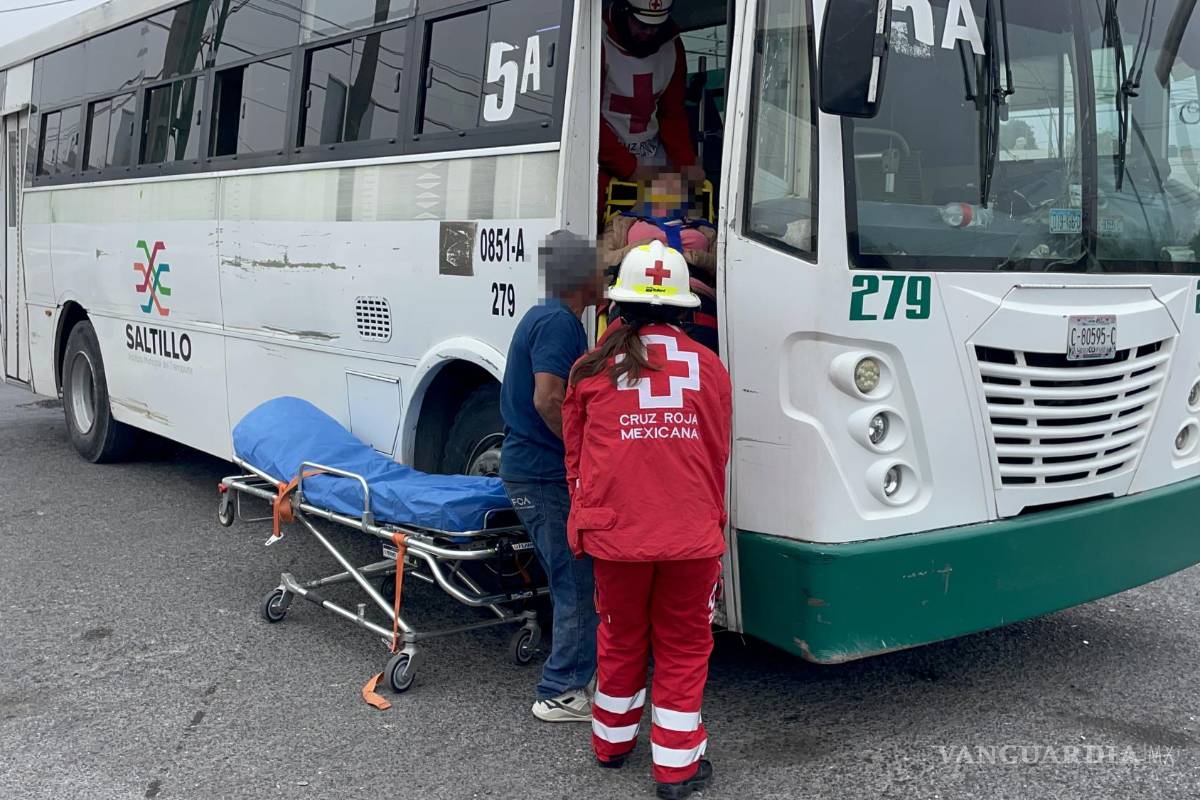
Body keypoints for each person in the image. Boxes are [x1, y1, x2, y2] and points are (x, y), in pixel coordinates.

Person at [562, 240, 733, 798]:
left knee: (619, 636)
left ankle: (611, 744)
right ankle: (677, 768)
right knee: (683, 646)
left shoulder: (590, 369)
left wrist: (588, 519)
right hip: (690, 537)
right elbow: (717, 452)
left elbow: (576, 458)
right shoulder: (709, 368)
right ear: (684, 310)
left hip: (616, 537)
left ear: (619, 305)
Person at [499, 230, 602, 722]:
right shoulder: (559, 322)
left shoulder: (551, 316)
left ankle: (577, 672)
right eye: (599, 266)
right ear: (581, 276)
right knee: (576, 580)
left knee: (569, 577)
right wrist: (583, 454)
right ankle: (562, 690)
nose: (605, 273)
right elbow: (548, 398)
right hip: (541, 475)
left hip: (531, 470)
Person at [598, 172, 720, 353]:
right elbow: (601, 261)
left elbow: (725, 267)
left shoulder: (705, 229)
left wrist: (692, 257)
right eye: (660, 186)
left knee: (698, 350)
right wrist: (643, 248)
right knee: (626, 352)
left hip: (694, 296)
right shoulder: (622, 222)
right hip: (633, 295)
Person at [600, 0, 703, 207]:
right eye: (641, 24)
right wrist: (629, 168)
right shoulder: (596, 39)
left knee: (688, 207)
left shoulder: (671, 46)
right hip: (602, 158)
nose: (649, 32)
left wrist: (688, 166)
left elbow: (672, 114)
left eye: (656, 26)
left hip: (652, 154)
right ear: (624, 11)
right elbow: (585, 119)